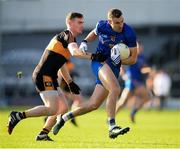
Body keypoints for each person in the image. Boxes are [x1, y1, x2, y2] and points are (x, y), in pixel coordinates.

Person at [7, 12, 105, 141]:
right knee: (52, 108)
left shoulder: (70, 38)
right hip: (43, 75)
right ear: (70, 23)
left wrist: (69, 82)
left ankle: (43, 134)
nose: (82, 25)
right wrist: (93, 56)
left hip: (50, 76)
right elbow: (75, 53)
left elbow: (62, 63)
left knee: (63, 108)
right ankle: (18, 115)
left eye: (83, 23)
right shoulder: (67, 35)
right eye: (79, 22)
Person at [53, 8, 138, 139]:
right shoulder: (102, 25)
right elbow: (94, 33)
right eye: (117, 22)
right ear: (110, 21)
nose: (120, 25)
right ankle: (112, 126)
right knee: (115, 88)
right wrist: (85, 42)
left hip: (114, 67)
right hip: (99, 62)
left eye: (122, 21)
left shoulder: (129, 33)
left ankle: (64, 118)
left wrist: (120, 59)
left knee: (93, 105)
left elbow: (133, 59)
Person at [116, 42, 151, 123]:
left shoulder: (142, 58)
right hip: (130, 81)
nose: (139, 49)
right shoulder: (129, 55)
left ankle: (133, 112)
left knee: (147, 97)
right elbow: (120, 65)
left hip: (138, 82)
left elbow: (142, 69)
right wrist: (124, 75)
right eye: (138, 47)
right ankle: (111, 117)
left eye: (141, 48)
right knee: (122, 102)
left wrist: (148, 70)